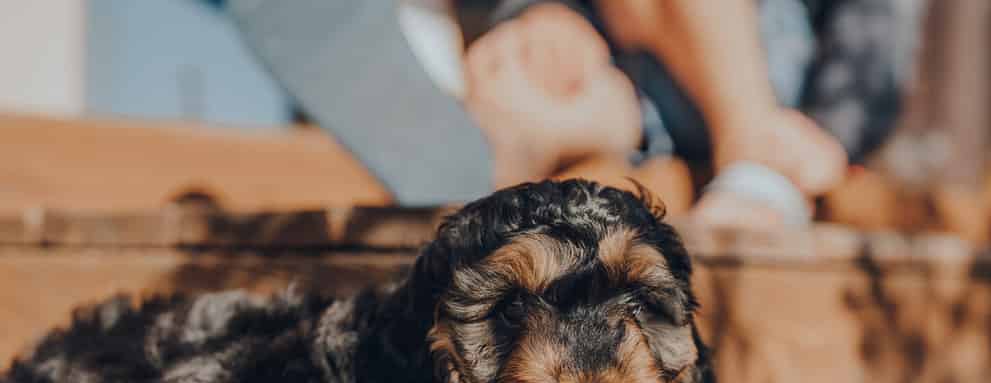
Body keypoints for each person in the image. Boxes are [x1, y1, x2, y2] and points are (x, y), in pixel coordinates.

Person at [229, 0, 917, 228]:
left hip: (756, 78)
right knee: (511, 92)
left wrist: (834, 126)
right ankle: (489, 235)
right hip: (627, 80)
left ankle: (755, 161)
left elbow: (875, 27)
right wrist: (532, 15)